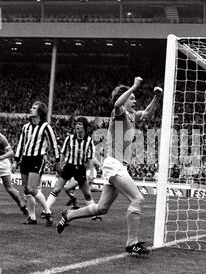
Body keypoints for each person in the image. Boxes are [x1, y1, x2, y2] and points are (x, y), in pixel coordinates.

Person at [56, 77, 163, 255]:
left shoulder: (132, 116)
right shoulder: (119, 113)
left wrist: (156, 98)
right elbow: (116, 104)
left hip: (117, 166)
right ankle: (132, 243)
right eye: (132, 98)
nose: (135, 100)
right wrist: (134, 86)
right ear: (124, 98)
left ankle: (69, 215)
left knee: (101, 208)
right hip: (114, 164)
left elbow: (148, 114)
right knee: (137, 199)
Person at [12, 101, 61, 226]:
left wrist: (57, 161)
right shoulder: (26, 127)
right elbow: (20, 144)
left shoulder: (45, 126)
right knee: (26, 190)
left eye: (34, 108)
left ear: (40, 112)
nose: (31, 109)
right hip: (25, 159)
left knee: (31, 188)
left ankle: (48, 212)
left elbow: (54, 145)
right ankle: (32, 217)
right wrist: (16, 160)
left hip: (37, 159)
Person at [45, 117, 96, 217]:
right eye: (77, 124)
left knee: (87, 194)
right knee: (56, 189)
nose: (77, 126)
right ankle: (46, 210)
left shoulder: (89, 141)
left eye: (80, 124)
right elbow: (63, 153)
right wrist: (60, 165)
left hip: (80, 168)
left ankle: (94, 214)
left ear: (84, 127)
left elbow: (90, 158)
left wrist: (90, 173)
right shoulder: (69, 138)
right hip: (69, 167)